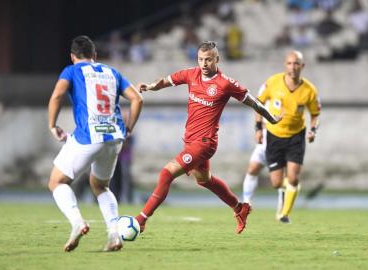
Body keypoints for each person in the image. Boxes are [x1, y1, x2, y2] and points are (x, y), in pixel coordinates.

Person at [135, 41, 282, 234]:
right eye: (201, 59)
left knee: (166, 173)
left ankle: (141, 220)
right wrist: (151, 86)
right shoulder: (191, 74)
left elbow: (254, 102)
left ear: (217, 60)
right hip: (190, 139)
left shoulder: (225, 83)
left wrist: (270, 118)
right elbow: (167, 81)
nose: (204, 64)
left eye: (208, 60)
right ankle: (240, 208)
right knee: (204, 180)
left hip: (204, 143)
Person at [47, 35, 143, 252]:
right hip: (114, 136)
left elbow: (56, 96)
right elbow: (137, 99)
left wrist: (53, 125)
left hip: (89, 136)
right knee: (100, 186)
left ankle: (77, 222)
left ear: (72, 57)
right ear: (95, 55)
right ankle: (114, 235)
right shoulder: (112, 72)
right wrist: (129, 128)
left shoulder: (71, 71)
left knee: (56, 181)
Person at [254, 50, 320, 223]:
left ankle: (284, 214)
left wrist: (313, 130)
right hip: (274, 135)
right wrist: (258, 128)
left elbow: (315, 114)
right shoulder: (273, 82)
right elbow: (258, 103)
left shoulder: (309, 90)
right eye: (290, 63)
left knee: (293, 177)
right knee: (276, 182)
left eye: (296, 63)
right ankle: (287, 190)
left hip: (296, 136)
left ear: (302, 66)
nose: (293, 67)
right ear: (285, 65)